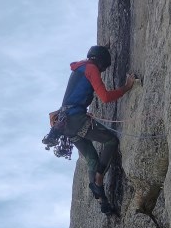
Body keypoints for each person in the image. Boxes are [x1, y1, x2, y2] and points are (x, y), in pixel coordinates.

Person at [43, 45, 135, 215]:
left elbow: (76, 95)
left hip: (66, 126)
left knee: (92, 159)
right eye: (104, 67)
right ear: (100, 62)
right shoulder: (91, 69)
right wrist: (126, 88)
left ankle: (102, 201)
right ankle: (99, 177)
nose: (103, 70)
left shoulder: (80, 68)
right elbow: (105, 97)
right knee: (111, 140)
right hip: (76, 119)